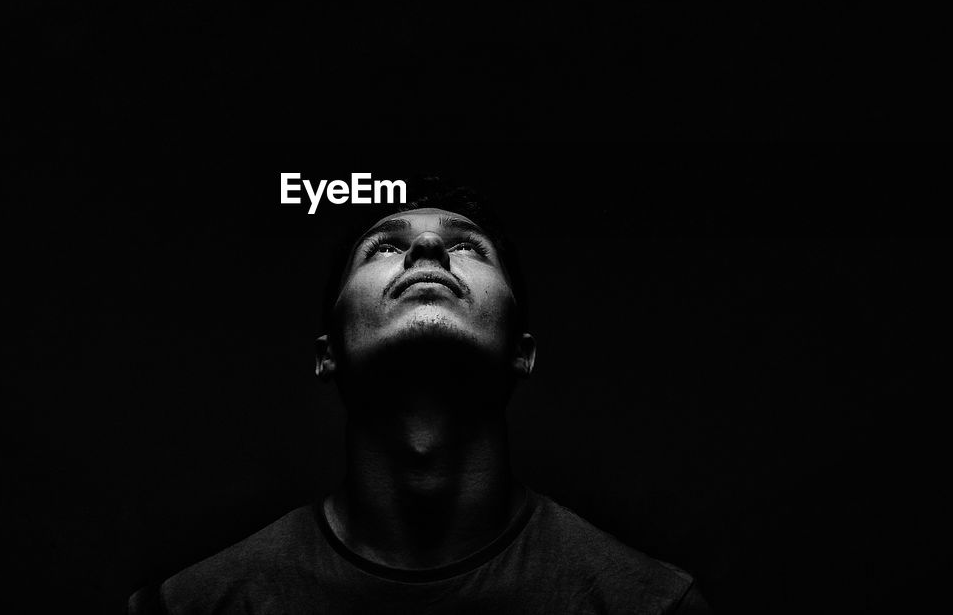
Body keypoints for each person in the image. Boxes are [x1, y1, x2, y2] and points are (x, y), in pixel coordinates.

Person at [129, 179, 712, 613]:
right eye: (383, 247)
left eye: (470, 247)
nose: (429, 246)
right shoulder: (189, 608)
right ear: (326, 351)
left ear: (522, 351)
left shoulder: (653, 607)